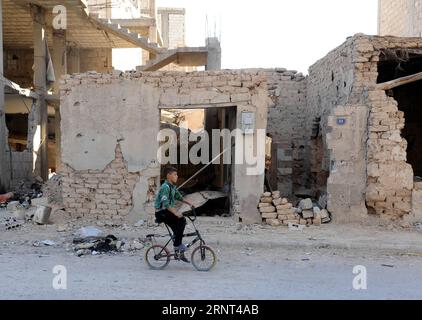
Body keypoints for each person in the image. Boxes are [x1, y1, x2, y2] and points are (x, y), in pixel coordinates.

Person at [155, 166, 194, 263]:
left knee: (179, 227)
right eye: (175, 174)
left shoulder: (172, 187)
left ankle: (178, 252)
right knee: (181, 221)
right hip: (161, 213)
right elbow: (165, 203)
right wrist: (176, 213)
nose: (177, 176)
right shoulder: (165, 187)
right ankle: (178, 248)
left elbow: (179, 197)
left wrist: (190, 204)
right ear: (169, 176)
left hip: (166, 212)